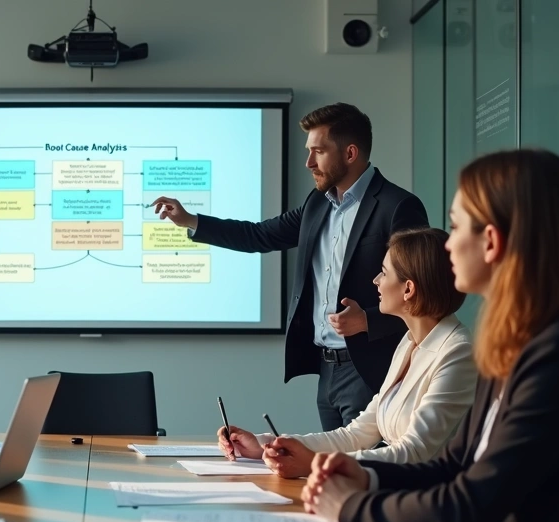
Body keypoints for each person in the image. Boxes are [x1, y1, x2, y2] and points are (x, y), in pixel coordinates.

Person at [302, 149, 559, 522]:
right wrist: (369, 477)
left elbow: (470, 506)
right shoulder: (520, 344)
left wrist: (351, 508)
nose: (447, 244)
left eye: (456, 226)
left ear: (493, 242)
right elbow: (456, 465)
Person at [154, 103, 429, 432]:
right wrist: (190, 220)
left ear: (351, 153)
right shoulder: (317, 204)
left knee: (362, 477)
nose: (308, 162)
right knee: (332, 474)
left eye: (318, 151)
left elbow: (422, 292)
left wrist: (366, 320)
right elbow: (259, 235)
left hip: (371, 369)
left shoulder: (398, 207)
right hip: (326, 371)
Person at [217, 228, 476, 478]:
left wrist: (314, 464)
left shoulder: (457, 352)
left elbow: (415, 452)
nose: (376, 280)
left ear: (408, 289)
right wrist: (265, 443)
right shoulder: (410, 342)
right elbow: (356, 434)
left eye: (384, 273)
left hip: (427, 506)